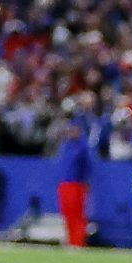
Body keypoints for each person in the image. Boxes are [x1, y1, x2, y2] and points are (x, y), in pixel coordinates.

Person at [52, 105, 94, 247]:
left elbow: (87, 166)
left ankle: (78, 241)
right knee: (67, 214)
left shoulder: (82, 146)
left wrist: (85, 182)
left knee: (77, 214)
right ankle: (71, 240)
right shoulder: (66, 145)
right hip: (65, 184)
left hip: (77, 184)